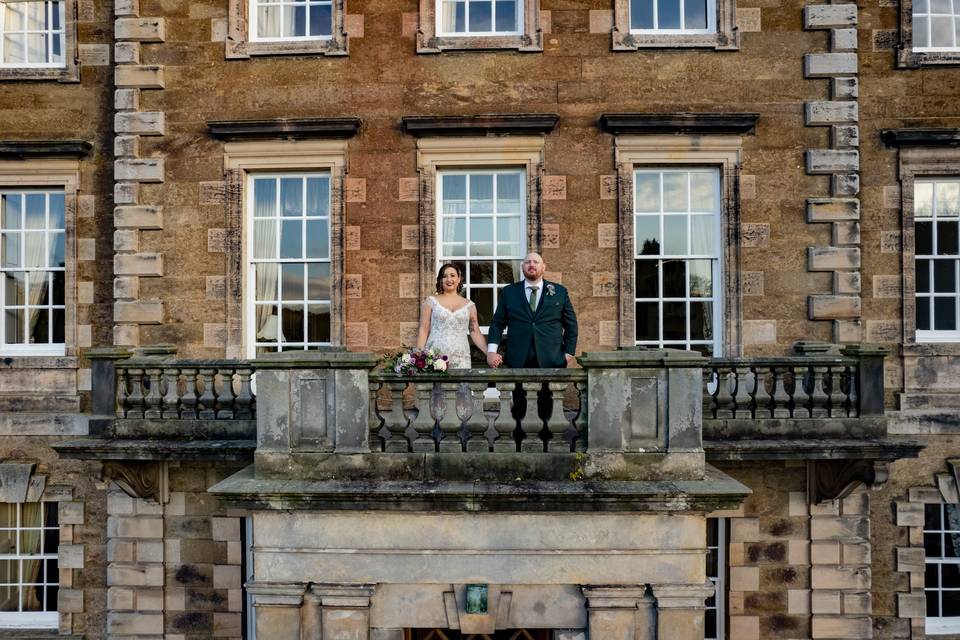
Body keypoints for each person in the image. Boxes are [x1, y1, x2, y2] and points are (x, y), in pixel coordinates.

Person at [486, 252, 578, 369]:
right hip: (517, 361)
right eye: (527, 262)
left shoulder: (560, 292)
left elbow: (571, 325)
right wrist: (491, 351)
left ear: (543, 267)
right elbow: (497, 324)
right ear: (522, 267)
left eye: (536, 262)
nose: (531, 264)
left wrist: (569, 353)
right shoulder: (509, 292)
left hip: (552, 360)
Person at [416, 263, 488, 369]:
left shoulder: (470, 305)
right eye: (444, 276)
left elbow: (475, 332)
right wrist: (418, 354)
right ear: (440, 280)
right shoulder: (430, 302)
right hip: (435, 357)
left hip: (461, 358)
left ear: (459, 279)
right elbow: (424, 329)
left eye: (452, 275)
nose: (449, 279)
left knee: (461, 385)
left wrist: (489, 353)